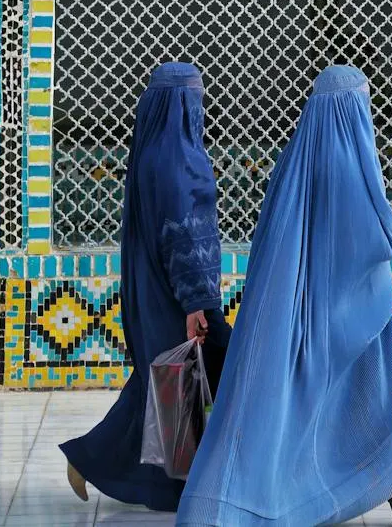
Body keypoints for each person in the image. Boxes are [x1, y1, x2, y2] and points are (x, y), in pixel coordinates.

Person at [176, 64, 392, 527]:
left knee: (331, 414)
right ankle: (236, 507)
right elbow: (378, 239)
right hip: (340, 323)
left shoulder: (293, 159)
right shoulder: (348, 160)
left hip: (295, 321)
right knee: (363, 407)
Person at [61, 61, 231, 512]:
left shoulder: (151, 153)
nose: (199, 109)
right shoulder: (179, 158)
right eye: (194, 100)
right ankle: (100, 461)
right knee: (181, 380)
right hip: (181, 298)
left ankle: (180, 480)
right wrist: (197, 300)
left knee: (166, 382)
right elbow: (182, 231)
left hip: (159, 293)